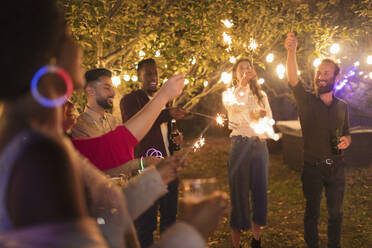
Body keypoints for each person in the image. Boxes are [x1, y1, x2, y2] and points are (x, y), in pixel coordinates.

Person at [0, 1, 228, 247]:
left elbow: (104, 216)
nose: (78, 48)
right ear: (51, 54)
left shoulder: (39, 138)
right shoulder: (42, 157)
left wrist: (154, 179)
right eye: (68, 36)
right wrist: (191, 231)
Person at [285, 32, 351, 248]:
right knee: (312, 213)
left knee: (336, 214)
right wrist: (291, 51)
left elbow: (347, 132)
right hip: (313, 168)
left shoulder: (342, 106)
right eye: (319, 72)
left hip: (337, 168)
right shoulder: (306, 101)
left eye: (326, 72)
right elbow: (293, 79)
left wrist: (347, 140)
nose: (321, 76)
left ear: (335, 77)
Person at [120, 58, 187, 247]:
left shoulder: (165, 102)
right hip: (145, 172)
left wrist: (176, 140)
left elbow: (166, 134)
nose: (154, 77)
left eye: (156, 73)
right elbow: (135, 126)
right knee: (146, 225)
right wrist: (167, 113)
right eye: (148, 73)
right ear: (139, 77)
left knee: (169, 223)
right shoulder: (130, 100)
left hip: (168, 169)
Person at [223, 59, 273, 248]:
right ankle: (236, 243)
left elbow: (269, 118)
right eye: (241, 69)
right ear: (236, 74)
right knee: (238, 193)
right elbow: (234, 111)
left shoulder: (262, 95)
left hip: (259, 146)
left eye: (248, 67)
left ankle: (256, 239)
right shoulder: (231, 94)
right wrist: (242, 86)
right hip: (240, 144)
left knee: (260, 191)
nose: (245, 71)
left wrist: (263, 120)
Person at [71, 68, 120, 138]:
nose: (113, 93)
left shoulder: (115, 121)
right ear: (90, 91)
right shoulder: (79, 126)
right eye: (107, 88)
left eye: (112, 88)